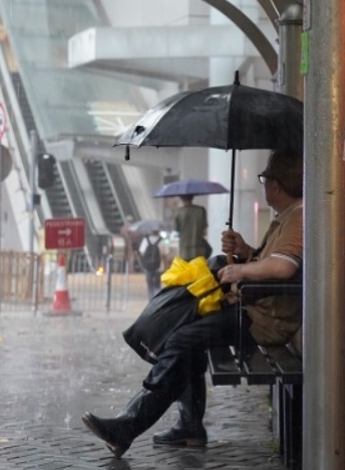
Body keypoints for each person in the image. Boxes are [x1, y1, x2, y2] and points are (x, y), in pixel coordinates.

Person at [81, 150, 303, 458]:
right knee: (186, 333)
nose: (264, 185)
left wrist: (240, 269)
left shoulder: (298, 217)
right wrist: (246, 251)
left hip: (264, 320)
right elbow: (272, 262)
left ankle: (130, 425)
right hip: (257, 310)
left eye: (264, 179)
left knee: (183, 339)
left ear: (276, 185)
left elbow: (283, 268)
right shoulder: (288, 217)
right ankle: (187, 427)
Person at [173, 195, 210, 260]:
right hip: (199, 248)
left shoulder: (178, 212)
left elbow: (176, 229)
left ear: (181, 198)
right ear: (192, 197)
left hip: (184, 250)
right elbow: (204, 229)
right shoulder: (201, 210)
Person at [138, 229, 165, 299]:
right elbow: (165, 254)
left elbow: (141, 252)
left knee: (150, 284)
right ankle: (157, 299)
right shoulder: (161, 240)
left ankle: (150, 299)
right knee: (157, 284)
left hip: (148, 266)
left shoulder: (146, 240)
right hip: (159, 266)